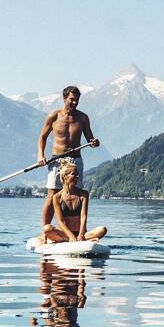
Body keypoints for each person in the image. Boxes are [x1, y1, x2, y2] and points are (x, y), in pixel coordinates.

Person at [38, 85, 100, 231]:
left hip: (75, 160)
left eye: (77, 100)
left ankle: (76, 232)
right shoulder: (53, 116)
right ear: (64, 98)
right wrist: (41, 155)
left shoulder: (83, 118)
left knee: (76, 195)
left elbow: (90, 139)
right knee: (52, 195)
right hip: (57, 160)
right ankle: (45, 232)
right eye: (72, 99)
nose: (74, 102)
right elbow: (42, 137)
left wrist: (94, 142)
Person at [40, 160, 107, 245]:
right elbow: (60, 221)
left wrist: (81, 235)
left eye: (77, 174)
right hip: (66, 234)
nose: (77, 176)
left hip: (81, 234)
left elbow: (83, 217)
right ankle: (71, 239)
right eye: (74, 174)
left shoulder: (83, 194)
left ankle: (78, 239)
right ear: (64, 176)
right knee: (47, 229)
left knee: (102, 229)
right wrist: (70, 236)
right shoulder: (57, 197)